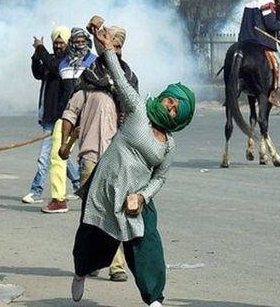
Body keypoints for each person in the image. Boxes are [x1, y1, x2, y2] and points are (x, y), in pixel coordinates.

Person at [70, 28, 195, 307]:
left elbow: (160, 178)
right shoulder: (139, 111)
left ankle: (155, 300)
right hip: (107, 188)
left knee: (147, 246)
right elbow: (120, 80)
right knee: (92, 244)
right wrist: (107, 50)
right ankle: (80, 273)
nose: (169, 107)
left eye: (175, 109)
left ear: (180, 119)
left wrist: (143, 197)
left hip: (135, 198)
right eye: (169, 100)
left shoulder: (169, 145)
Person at [60, 21, 139, 283]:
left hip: (119, 161)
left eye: (118, 46)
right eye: (110, 45)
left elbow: (137, 120)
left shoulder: (128, 81)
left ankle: (117, 265)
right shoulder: (89, 79)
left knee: (117, 212)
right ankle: (90, 259)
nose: (114, 50)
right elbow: (70, 113)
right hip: (91, 158)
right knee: (91, 214)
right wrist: (64, 143)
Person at [22, 26, 80, 206]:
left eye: (61, 42)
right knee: (62, 154)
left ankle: (36, 190)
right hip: (49, 114)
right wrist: (35, 55)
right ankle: (79, 185)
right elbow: (39, 73)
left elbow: (53, 66)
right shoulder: (51, 60)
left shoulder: (68, 61)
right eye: (56, 43)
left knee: (45, 156)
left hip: (60, 117)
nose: (58, 46)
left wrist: (40, 48)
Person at [41, 28, 95, 213]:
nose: (80, 45)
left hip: (89, 116)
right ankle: (58, 199)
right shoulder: (63, 63)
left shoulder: (94, 62)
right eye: (76, 41)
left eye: (83, 41)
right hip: (65, 116)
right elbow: (46, 69)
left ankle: (95, 197)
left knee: (93, 156)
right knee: (58, 154)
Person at [238, 0, 280, 107]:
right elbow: (271, 25)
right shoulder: (267, 1)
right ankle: (273, 92)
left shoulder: (250, 1)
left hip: (244, 41)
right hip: (261, 42)